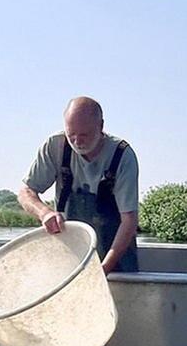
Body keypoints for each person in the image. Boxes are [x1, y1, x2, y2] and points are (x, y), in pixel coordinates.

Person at [16, 97, 141, 273]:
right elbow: (25, 192)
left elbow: (129, 221)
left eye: (84, 135)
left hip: (116, 260)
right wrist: (44, 213)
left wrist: (102, 271)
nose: (77, 141)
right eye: (71, 135)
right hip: (70, 258)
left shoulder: (122, 156)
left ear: (101, 126)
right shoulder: (55, 146)